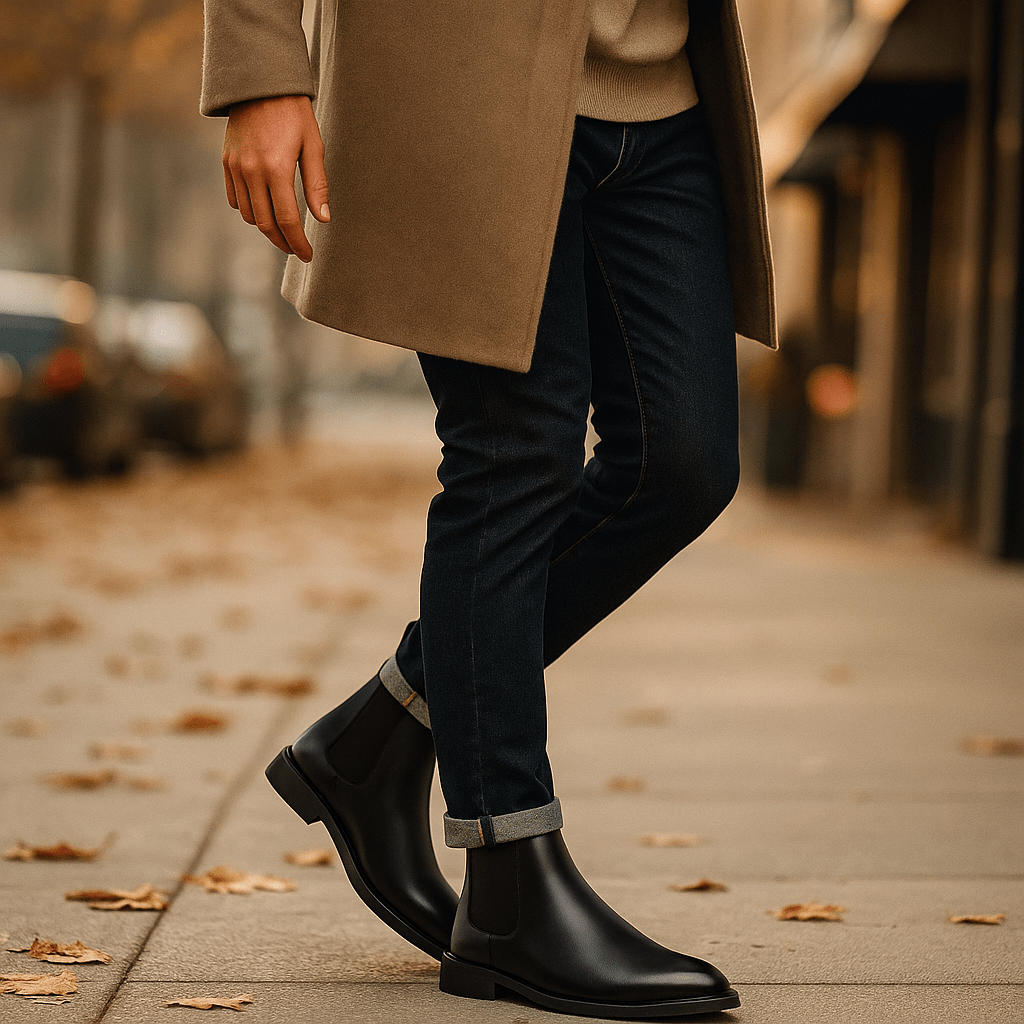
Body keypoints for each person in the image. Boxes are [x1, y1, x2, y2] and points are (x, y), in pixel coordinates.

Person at [202, 0, 776, 1016]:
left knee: (681, 465)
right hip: (461, 70)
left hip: (663, 81)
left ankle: (379, 736)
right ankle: (508, 883)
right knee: (513, 458)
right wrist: (259, 70)